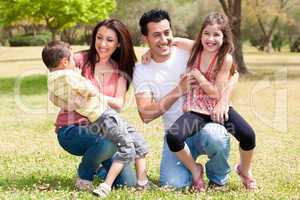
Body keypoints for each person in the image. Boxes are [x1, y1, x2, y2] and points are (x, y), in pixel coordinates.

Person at [133, 9, 232, 191]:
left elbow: (233, 70)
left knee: (215, 136)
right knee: (173, 185)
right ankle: (195, 169)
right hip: (176, 135)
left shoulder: (190, 51)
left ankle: (218, 179)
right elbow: (145, 114)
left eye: (167, 32)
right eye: (156, 35)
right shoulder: (141, 70)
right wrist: (179, 90)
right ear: (145, 39)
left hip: (205, 125)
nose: (164, 40)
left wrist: (224, 100)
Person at [42, 40, 149, 197]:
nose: (103, 43)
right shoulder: (80, 60)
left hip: (102, 120)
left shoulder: (120, 72)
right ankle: (85, 174)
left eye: (110, 40)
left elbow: (118, 104)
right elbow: (55, 82)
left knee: (127, 183)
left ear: (119, 44)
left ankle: (101, 169)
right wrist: (70, 100)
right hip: (74, 128)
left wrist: (95, 94)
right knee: (111, 139)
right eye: (100, 37)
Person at [165, 12, 257, 191]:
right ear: (201, 34)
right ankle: (195, 170)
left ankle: (244, 170)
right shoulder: (195, 49)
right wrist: (147, 54)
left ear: (224, 37)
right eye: (206, 33)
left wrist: (198, 76)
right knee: (173, 137)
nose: (210, 39)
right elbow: (171, 40)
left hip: (216, 108)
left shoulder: (225, 59)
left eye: (216, 35)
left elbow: (216, 93)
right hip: (196, 110)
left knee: (248, 135)